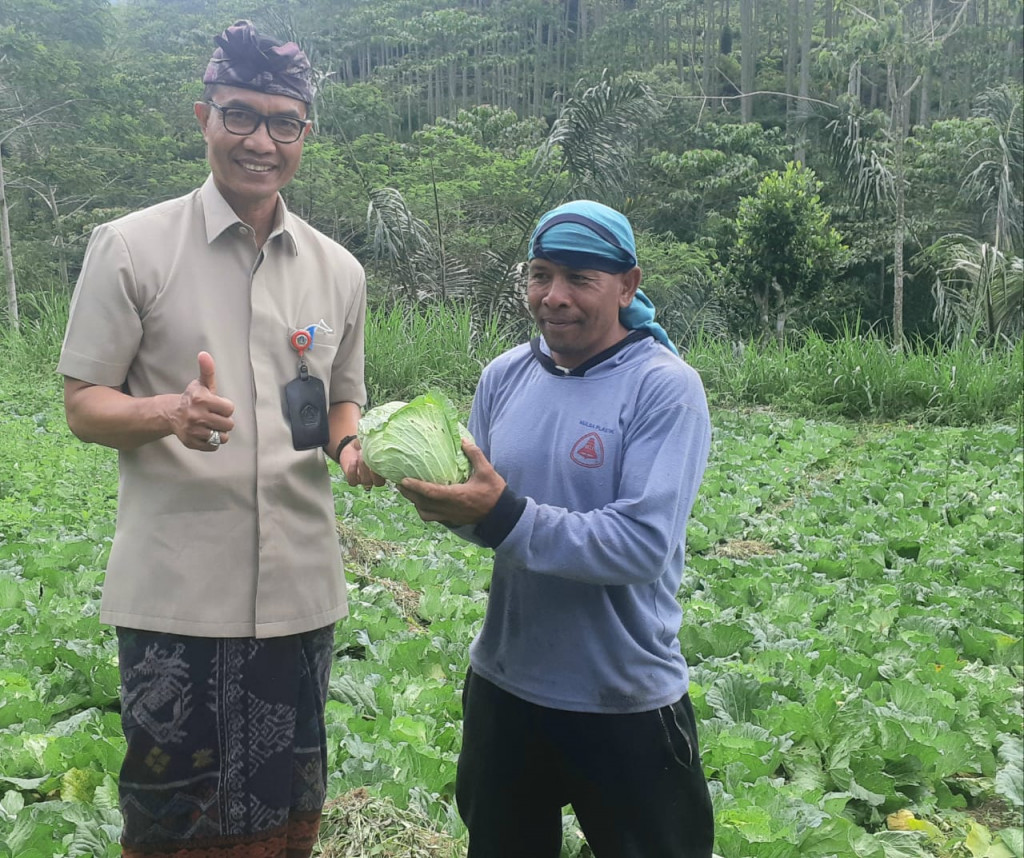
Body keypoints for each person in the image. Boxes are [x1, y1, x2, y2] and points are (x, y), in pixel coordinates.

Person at [57, 20, 381, 858]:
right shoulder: (131, 246)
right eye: (240, 115)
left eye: (284, 123)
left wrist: (353, 451)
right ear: (203, 116)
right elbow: (83, 404)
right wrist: (168, 413)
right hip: (177, 597)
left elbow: (344, 403)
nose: (260, 141)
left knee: (287, 806)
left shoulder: (338, 270)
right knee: (172, 814)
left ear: (305, 134)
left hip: (301, 593)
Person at [398, 200, 716, 857]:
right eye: (541, 275)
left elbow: (641, 545)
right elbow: (488, 517)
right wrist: (447, 503)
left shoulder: (664, 388)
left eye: (579, 279)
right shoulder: (503, 376)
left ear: (627, 285)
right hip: (506, 687)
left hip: (624, 697)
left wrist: (498, 513)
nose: (554, 297)